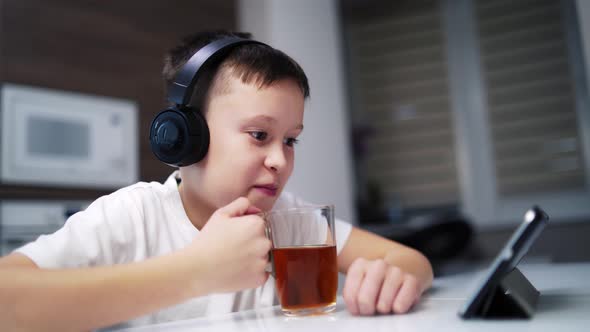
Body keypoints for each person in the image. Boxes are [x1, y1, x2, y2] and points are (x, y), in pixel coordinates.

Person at [0, 31, 433, 331]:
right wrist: (196, 272)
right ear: (186, 136)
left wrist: (391, 280)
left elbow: (414, 263)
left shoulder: (290, 221)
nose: (280, 159)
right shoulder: (132, 216)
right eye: (259, 135)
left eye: (291, 140)